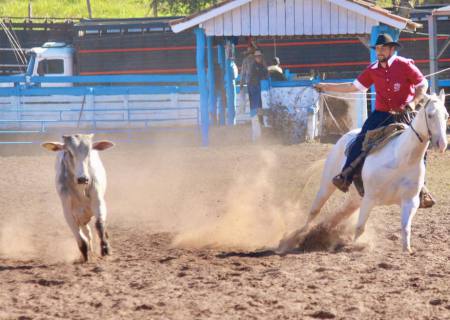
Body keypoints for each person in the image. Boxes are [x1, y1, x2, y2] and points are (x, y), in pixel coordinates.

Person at [314, 33, 434, 208]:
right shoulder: (372, 69)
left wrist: (413, 103)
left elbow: (422, 84)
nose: (380, 51)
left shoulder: (405, 65)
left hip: (405, 112)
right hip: (381, 114)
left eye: (383, 48)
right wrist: (326, 86)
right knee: (360, 139)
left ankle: (422, 189)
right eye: (378, 48)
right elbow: (353, 87)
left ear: (392, 49)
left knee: (421, 144)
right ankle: (345, 175)